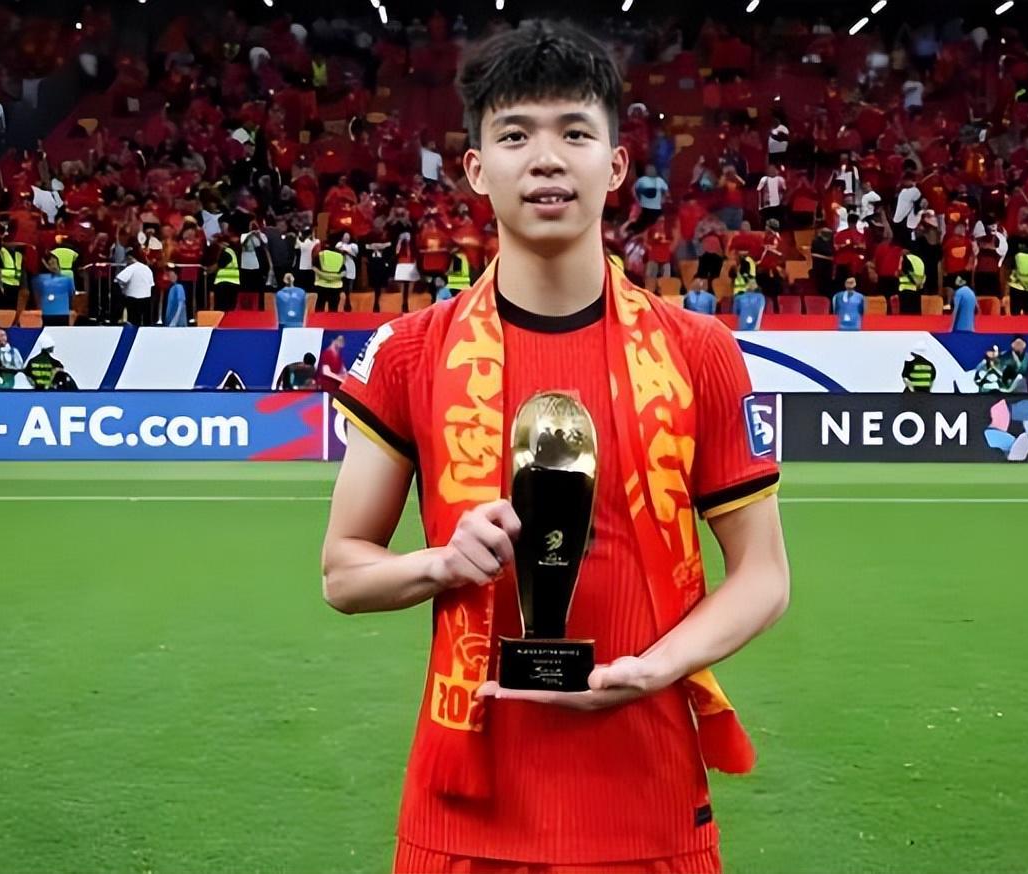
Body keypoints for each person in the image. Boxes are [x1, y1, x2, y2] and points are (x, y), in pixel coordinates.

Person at [321, 21, 788, 874]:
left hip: (649, 803)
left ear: (616, 165)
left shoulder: (699, 353)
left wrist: (657, 667)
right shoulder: (410, 353)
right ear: (475, 169)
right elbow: (343, 573)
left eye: (574, 132)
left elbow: (764, 575)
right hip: (465, 816)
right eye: (515, 136)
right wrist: (441, 563)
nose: (545, 159)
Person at [114, 252, 155, 326]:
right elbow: (151, 284)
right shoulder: (147, 268)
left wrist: (123, 287)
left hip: (132, 297)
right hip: (146, 297)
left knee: (132, 319)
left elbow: (119, 278)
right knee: (144, 319)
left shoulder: (132, 267)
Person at [34, 255, 75, 327]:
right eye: (50, 264)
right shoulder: (42, 280)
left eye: (54, 263)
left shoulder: (67, 280)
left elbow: (71, 295)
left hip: (63, 314)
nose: (53, 266)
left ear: (58, 264)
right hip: (47, 314)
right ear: (47, 266)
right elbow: (38, 296)